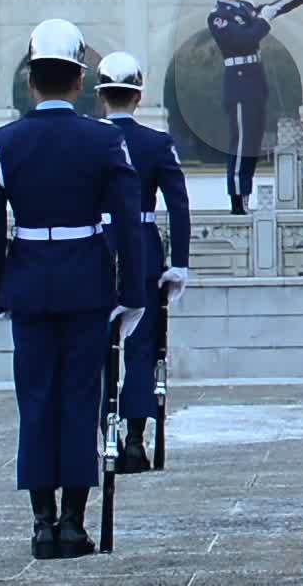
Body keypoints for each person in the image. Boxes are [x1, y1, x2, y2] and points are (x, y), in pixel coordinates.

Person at [0, 19, 149, 560]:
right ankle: (74, 521)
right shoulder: (104, 140)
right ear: (77, 82)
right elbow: (128, 223)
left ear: (31, 82)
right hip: (87, 285)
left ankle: (41, 521)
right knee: (80, 401)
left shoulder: (1, 144)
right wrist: (133, 293)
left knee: (36, 402)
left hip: (28, 283)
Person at [94, 51, 193, 470]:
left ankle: (106, 433)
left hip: (96, 245)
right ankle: (135, 439)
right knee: (140, 345)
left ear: (101, 97)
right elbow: (180, 206)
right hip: (143, 245)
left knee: (99, 347)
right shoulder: (157, 144)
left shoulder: (88, 138)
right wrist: (180, 263)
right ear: (138, 97)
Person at [208, 0, 284, 215]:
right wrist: (264, 19)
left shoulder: (244, 10)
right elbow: (245, 40)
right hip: (239, 84)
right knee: (241, 144)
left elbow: (268, 12)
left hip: (254, 82)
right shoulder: (219, 17)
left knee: (252, 144)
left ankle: (247, 194)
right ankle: (237, 199)